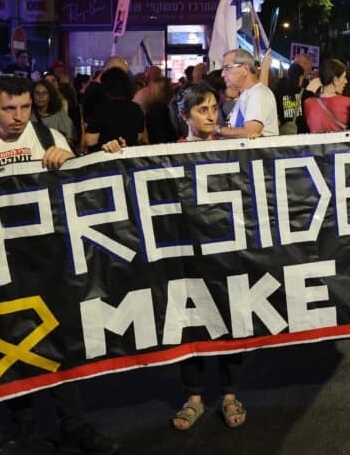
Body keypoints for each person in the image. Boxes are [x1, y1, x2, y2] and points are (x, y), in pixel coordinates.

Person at [0, 74, 120, 454]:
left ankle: (73, 424)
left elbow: (81, 195)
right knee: (12, 345)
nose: (18, 117)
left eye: (25, 107)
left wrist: (71, 162)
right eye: (8, 108)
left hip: (51, 261)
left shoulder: (49, 138)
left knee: (64, 342)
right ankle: (24, 431)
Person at [166, 84, 247, 430]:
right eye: (203, 110)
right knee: (192, 324)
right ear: (185, 116)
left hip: (228, 251)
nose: (212, 115)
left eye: (215, 108)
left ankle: (229, 393)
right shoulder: (169, 153)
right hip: (188, 254)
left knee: (231, 319)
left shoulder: (234, 149)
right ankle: (194, 397)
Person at [218, 49, 279, 139]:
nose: (222, 74)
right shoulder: (247, 95)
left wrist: (217, 129)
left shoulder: (258, 94)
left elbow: (250, 132)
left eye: (227, 68)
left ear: (245, 69)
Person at [83, 68, 147, 153]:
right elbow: (141, 138)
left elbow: (90, 141)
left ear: (106, 88)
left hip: (106, 159)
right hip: (130, 159)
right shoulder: (136, 108)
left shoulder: (100, 109)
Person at [304, 59, 350, 132]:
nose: (346, 81)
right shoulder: (349, 103)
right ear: (335, 80)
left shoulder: (308, 103)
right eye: (344, 77)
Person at [31, 79, 76, 145]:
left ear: (50, 96)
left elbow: (70, 138)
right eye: (37, 93)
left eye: (45, 93)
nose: (40, 96)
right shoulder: (28, 114)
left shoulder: (59, 114)